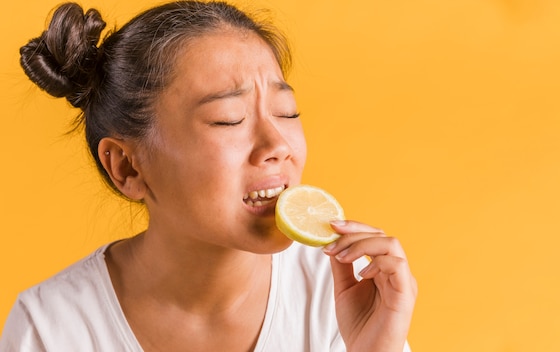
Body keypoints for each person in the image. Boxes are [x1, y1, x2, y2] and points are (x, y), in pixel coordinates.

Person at [1, 1, 417, 351]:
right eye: (228, 119)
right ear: (127, 166)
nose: (278, 144)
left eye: (286, 112)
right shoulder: (49, 330)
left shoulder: (344, 298)